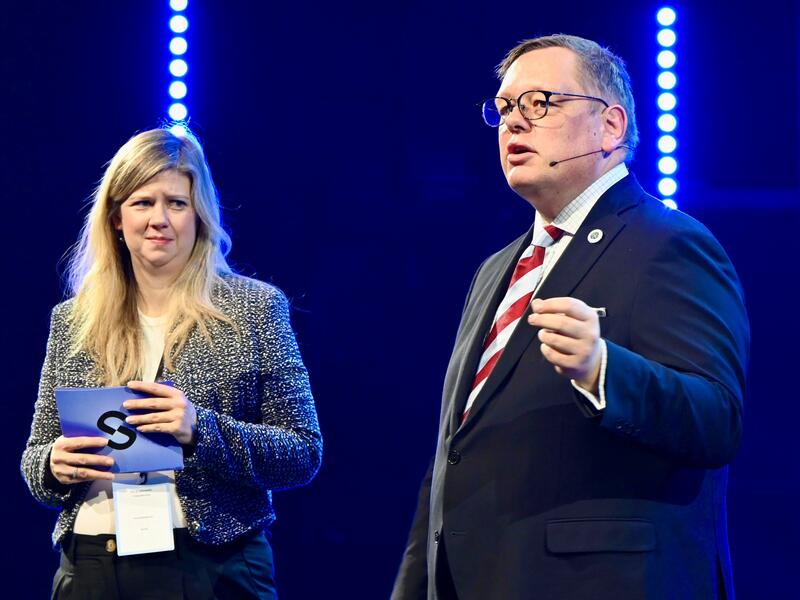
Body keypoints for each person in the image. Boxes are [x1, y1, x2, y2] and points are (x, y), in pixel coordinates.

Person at [392, 34, 749, 600]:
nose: (514, 122)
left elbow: (716, 419)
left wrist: (603, 370)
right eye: (504, 108)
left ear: (610, 126)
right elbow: (454, 453)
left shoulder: (668, 243)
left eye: (539, 103)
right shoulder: (496, 269)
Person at [21, 127, 322, 599]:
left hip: (210, 566)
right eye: (143, 202)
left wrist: (199, 431)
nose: (158, 219)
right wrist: (52, 465)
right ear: (116, 217)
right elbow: (36, 455)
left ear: (199, 214)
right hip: (92, 565)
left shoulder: (254, 309)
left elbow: (303, 452)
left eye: (176, 203)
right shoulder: (73, 320)